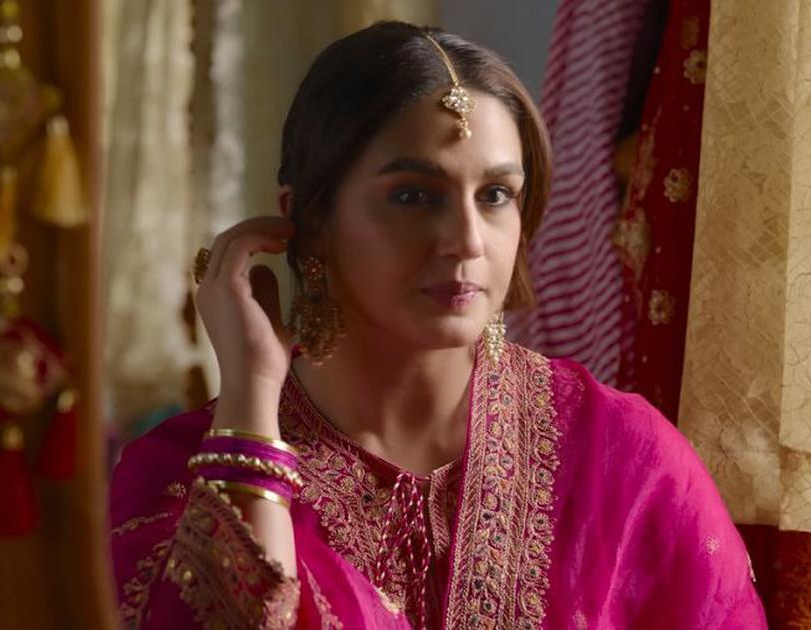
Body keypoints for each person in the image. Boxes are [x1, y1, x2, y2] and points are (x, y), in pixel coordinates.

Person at [108, 22, 766, 629]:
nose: (467, 240)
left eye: (496, 195)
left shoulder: (622, 458)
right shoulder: (176, 477)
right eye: (414, 196)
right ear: (308, 220)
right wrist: (252, 395)